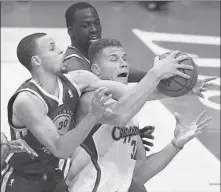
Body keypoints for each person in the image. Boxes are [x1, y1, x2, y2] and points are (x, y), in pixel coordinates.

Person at [1, 33, 190, 192]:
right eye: (52, 48)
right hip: (24, 179)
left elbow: (132, 93)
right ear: (36, 60)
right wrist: (154, 74)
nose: (60, 50)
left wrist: (182, 87)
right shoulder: (27, 101)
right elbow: (61, 149)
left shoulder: (79, 79)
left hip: (54, 176)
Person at [65, 38, 212, 192]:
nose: (123, 63)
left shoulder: (132, 111)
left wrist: (176, 144)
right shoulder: (90, 99)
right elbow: (118, 114)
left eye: (124, 58)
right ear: (96, 70)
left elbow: (139, 175)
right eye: (113, 59)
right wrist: (156, 74)